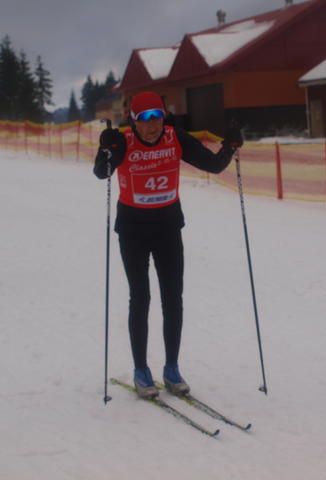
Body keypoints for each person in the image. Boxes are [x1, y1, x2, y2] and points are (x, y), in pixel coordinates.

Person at [93, 92, 243, 398]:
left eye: (157, 118)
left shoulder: (176, 138)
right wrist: (105, 148)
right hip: (133, 230)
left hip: (168, 229)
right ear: (133, 121)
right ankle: (141, 370)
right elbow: (102, 173)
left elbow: (213, 165)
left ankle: (172, 368)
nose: (152, 126)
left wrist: (230, 145)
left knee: (173, 298)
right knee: (141, 297)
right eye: (144, 120)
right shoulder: (123, 141)